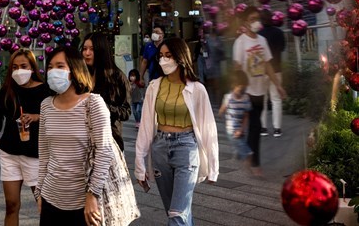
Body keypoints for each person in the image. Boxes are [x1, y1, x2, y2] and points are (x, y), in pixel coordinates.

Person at [135, 37, 218, 226]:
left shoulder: (197, 89)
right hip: (160, 150)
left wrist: (213, 168)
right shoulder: (154, 86)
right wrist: (140, 165)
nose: (163, 60)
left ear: (180, 57)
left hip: (186, 149)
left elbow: (208, 129)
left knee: (177, 213)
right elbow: (146, 127)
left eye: (169, 56)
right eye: (161, 56)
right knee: (177, 214)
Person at [35, 47, 113, 226]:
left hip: (84, 202)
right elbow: (44, 152)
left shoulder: (93, 103)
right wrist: (38, 192)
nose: (53, 71)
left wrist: (92, 195)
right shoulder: (46, 105)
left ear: (74, 70)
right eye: (50, 67)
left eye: (60, 66)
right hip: (50, 198)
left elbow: (104, 151)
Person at [0, 48, 51, 226]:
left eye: (23, 66)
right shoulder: (7, 89)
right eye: (14, 67)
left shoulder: (46, 90)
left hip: (34, 154)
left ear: (32, 67)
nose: (19, 70)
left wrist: (37, 117)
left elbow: (57, 116)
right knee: (11, 204)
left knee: (43, 205)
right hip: (9, 152)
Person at [232, 6, 286, 177]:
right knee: (255, 125)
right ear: (245, 22)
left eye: (258, 18)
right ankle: (255, 162)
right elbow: (237, 67)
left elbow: (268, 65)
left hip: (260, 89)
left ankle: (248, 155)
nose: (256, 22)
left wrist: (278, 85)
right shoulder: (240, 42)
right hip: (247, 91)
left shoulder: (262, 41)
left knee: (254, 127)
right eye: (252, 18)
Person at [81, 32, 131, 151]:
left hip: (108, 141)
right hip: (81, 141)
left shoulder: (116, 77)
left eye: (92, 49)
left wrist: (101, 107)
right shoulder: (79, 76)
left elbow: (126, 112)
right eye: (84, 49)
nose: (87, 53)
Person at [258, 9, 286, 137]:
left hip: (261, 71)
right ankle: (277, 129)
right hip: (276, 69)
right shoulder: (279, 32)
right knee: (276, 99)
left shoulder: (258, 35)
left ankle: (263, 128)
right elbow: (282, 48)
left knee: (262, 100)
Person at [218, 70, 252, 165]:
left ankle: (239, 155)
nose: (242, 90)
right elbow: (222, 110)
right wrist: (222, 114)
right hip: (231, 129)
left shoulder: (246, 98)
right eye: (240, 87)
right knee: (244, 148)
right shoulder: (228, 97)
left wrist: (241, 129)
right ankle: (249, 163)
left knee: (240, 145)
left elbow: (246, 116)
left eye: (244, 87)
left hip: (242, 129)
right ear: (234, 86)